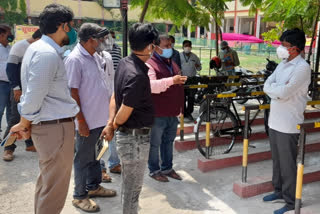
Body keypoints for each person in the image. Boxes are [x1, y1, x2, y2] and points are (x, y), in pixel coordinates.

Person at [10, 4, 80, 214]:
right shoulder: (46, 54)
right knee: (54, 188)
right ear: (62, 26)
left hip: (52, 127)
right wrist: (24, 122)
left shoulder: (39, 49)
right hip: (54, 128)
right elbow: (33, 95)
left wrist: (27, 121)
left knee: (49, 184)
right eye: (71, 25)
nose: (73, 30)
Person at [101, 23, 159, 214]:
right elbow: (124, 109)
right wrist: (113, 125)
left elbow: (114, 98)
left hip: (129, 137)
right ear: (150, 46)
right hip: (134, 140)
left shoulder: (126, 62)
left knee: (129, 187)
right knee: (133, 190)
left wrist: (111, 124)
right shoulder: (138, 75)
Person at [65, 23, 117, 213]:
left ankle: (94, 186)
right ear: (89, 40)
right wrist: (80, 121)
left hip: (100, 120)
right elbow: (72, 93)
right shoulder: (75, 60)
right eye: (100, 38)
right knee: (82, 159)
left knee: (96, 156)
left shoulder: (95, 56)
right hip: (86, 121)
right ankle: (79, 196)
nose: (104, 41)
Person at [263, 29, 310, 214]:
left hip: (289, 123)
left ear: (295, 48)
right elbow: (267, 84)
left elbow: (284, 93)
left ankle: (291, 201)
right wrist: (276, 90)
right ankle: (278, 191)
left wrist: (276, 90)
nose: (281, 48)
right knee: (277, 160)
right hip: (274, 121)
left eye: (285, 45)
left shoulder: (302, 68)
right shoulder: (283, 64)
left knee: (288, 163)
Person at [147, 34, 186, 182]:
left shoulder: (172, 63)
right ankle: (154, 170)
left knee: (168, 141)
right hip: (158, 112)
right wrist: (172, 80)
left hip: (172, 111)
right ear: (155, 47)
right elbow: (151, 86)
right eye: (166, 46)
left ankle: (167, 168)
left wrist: (180, 109)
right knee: (155, 143)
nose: (170, 48)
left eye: (171, 45)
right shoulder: (150, 64)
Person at [2, 29, 42, 161]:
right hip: (20, 89)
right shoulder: (20, 47)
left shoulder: (38, 48)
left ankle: (29, 144)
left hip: (32, 89)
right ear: (38, 38)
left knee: (31, 117)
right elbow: (10, 68)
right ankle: (8, 148)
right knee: (15, 119)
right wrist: (16, 88)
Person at [180, 40, 201, 120]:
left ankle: (189, 113)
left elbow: (199, 68)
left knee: (191, 97)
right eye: (186, 46)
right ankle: (183, 113)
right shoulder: (179, 56)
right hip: (182, 79)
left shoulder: (195, 57)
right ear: (183, 47)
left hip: (192, 79)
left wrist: (198, 66)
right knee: (182, 97)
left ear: (191, 47)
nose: (187, 47)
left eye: (189, 46)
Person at [0, 24, 14, 139]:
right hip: (1, 84)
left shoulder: (10, 48)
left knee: (11, 110)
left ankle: (9, 135)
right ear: (1, 35)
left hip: (11, 83)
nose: (11, 36)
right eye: (8, 33)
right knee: (0, 109)